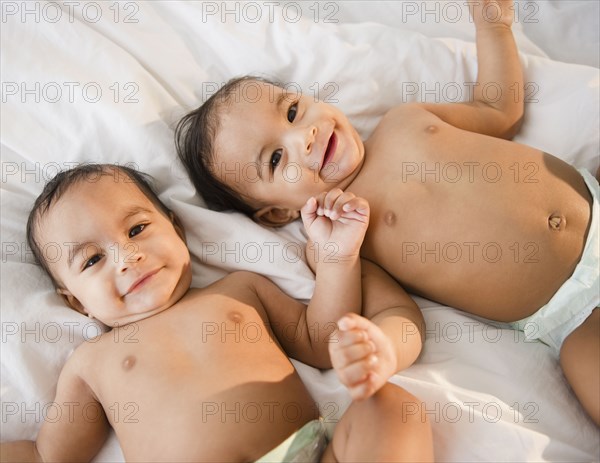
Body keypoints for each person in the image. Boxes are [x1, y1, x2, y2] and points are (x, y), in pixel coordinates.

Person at [174, 0, 600, 425]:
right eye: (274, 159)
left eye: (291, 112)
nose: (303, 137)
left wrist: (494, 28)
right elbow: (399, 316)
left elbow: (498, 110)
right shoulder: (341, 239)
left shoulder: (406, 120)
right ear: (275, 215)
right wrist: (382, 349)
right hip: (574, 312)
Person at [0, 164, 433, 462]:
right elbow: (46, 454)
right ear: (75, 301)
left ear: (176, 227)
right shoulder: (90, 363)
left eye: (136, 230)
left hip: (306, 454)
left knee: (392, 407)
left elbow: (320, 342)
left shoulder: (239, 292)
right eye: (92, 260)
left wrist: (337, 259)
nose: (127, 257)